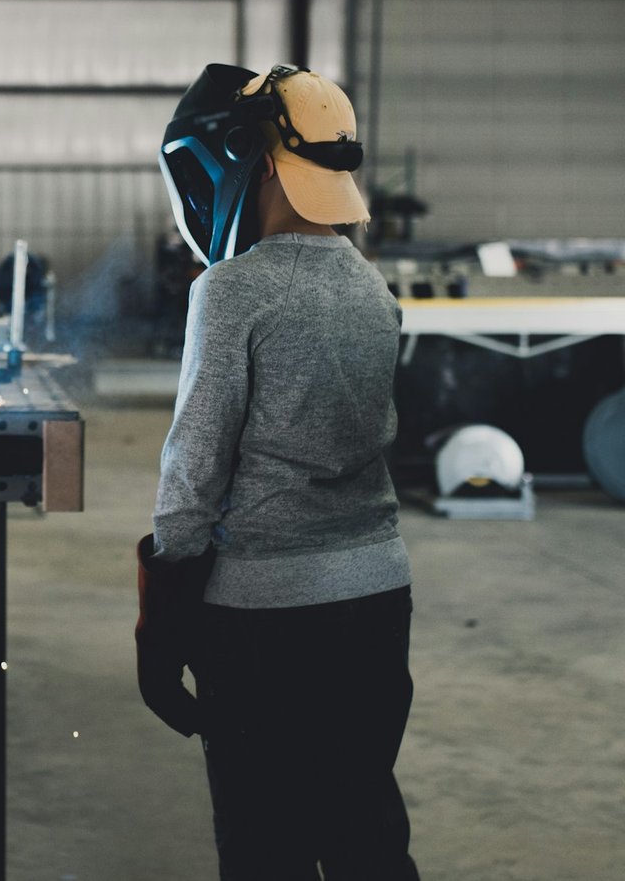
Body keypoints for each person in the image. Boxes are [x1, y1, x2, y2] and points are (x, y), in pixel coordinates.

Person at [137, 64, 421, 880]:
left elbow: (194, 468)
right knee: (366, 828)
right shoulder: (374, 291)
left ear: (254, 162)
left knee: (267, 845)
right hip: (376, 603)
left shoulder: (232, 290)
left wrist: (162, 624)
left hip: (266, 622)